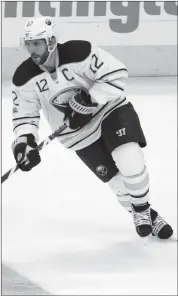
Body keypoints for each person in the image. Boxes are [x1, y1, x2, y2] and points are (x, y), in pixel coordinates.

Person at [11, 17, 173, 239]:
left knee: (129, 158)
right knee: (117, 184)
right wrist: (24, 142)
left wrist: (90, 99)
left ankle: (141, 209)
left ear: (51, 42)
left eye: (37, 43)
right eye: (28, 44)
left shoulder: (80, 52)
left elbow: (117, 73)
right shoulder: (23, 78)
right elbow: (24, 116)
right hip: (77, 135)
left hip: (109, 111)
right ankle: (149, 216)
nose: (31, 49)